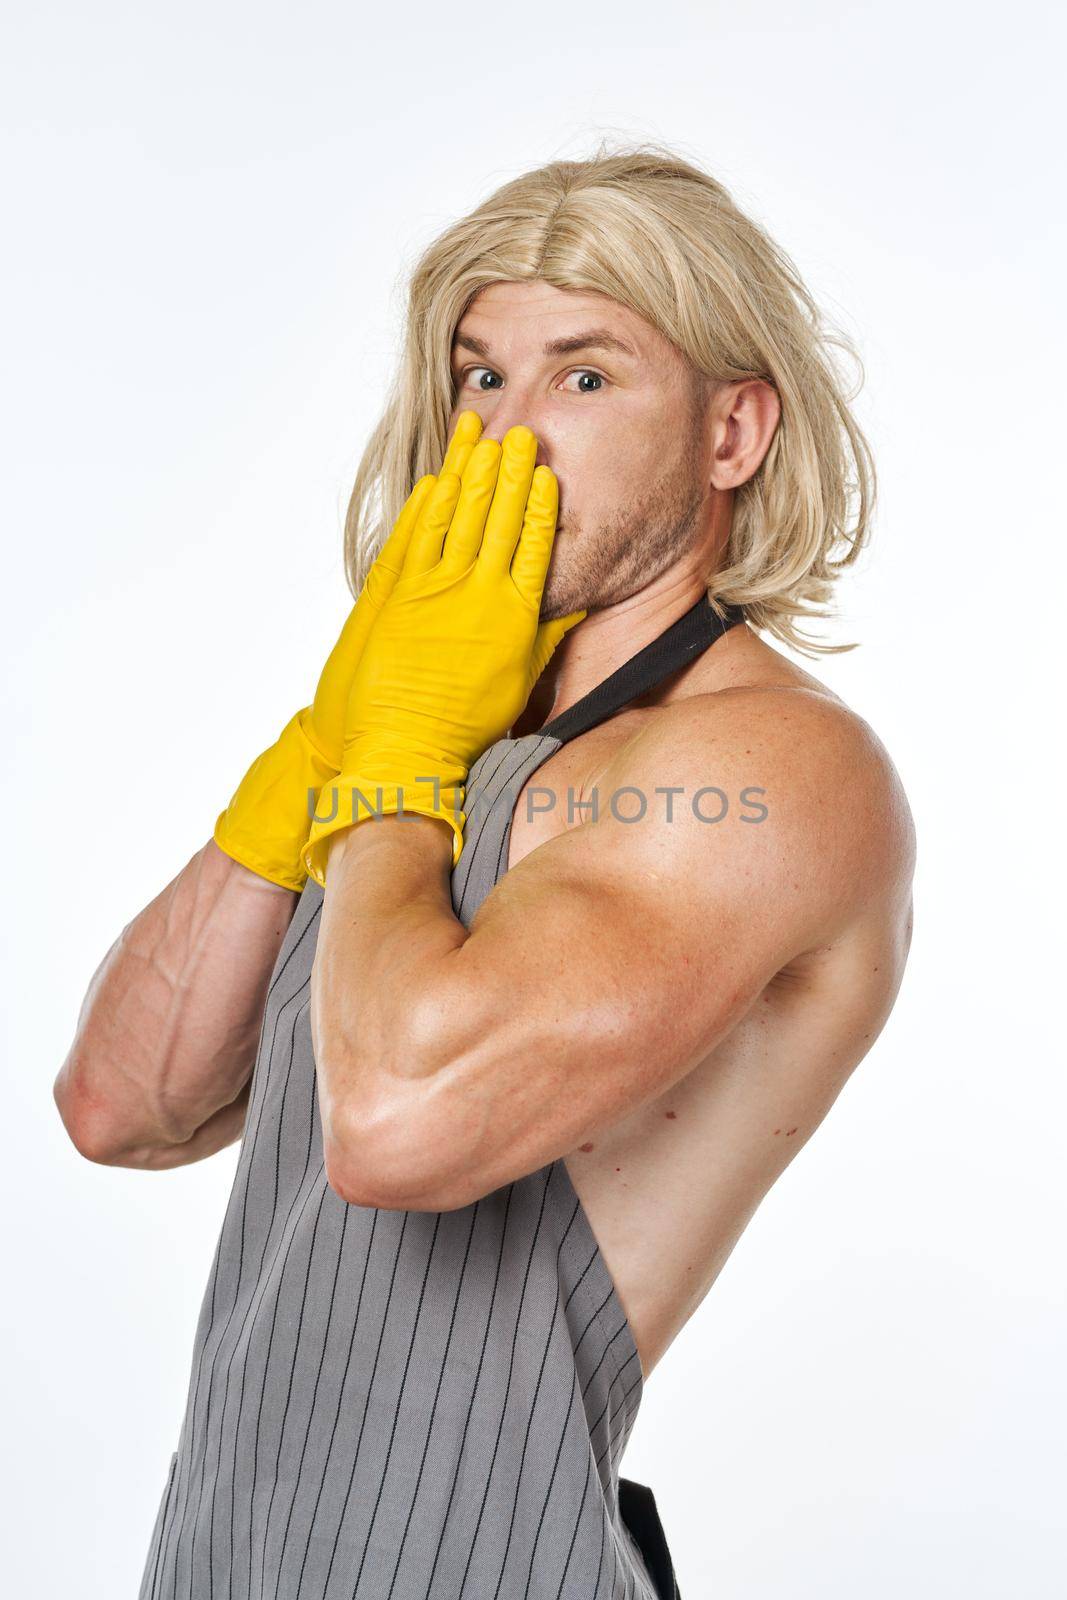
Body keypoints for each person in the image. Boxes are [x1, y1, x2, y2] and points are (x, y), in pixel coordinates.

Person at [53, 142, 916, 1600]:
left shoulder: (772, 768)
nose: (508, 439)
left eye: (585, 379)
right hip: (217, 1561)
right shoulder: (433, 739)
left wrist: (390, 762)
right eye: (478, 378)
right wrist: (321, 752)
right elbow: (121, 1104)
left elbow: (397, 1127)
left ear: (732, 433)